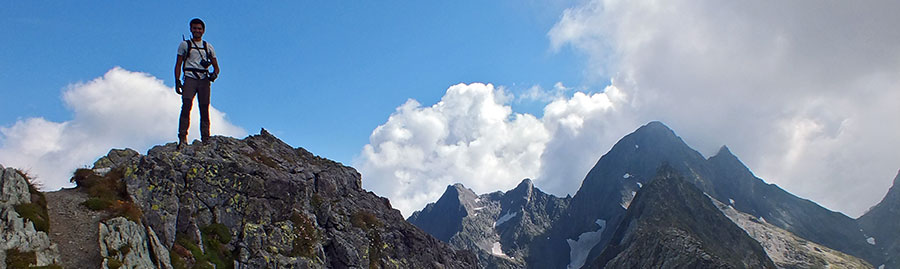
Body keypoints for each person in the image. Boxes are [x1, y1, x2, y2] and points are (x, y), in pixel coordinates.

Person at [174, 18, 219, 147]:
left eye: (199, 29)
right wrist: (177, 81)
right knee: (186, 106)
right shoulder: (184, 45)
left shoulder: (208, 47)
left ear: (203, 31)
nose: (197, 31)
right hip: (189, 78)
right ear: (191, 29)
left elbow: (216, 67)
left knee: (204, 108)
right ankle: (182, 138)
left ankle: (206, 138)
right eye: (195, 28)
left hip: (204, 79)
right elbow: (178, 64)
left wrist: (214, 75)